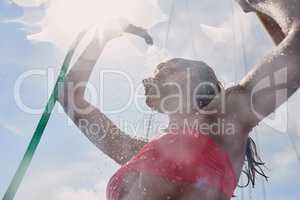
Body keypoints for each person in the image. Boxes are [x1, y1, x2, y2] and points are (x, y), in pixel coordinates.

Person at [58, 0, 300, 199]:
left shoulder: (226, 119)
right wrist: (101, 38)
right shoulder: (139, 152)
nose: (160, 66)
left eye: (172, 66)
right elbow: (69, 97)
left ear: (200, 83)